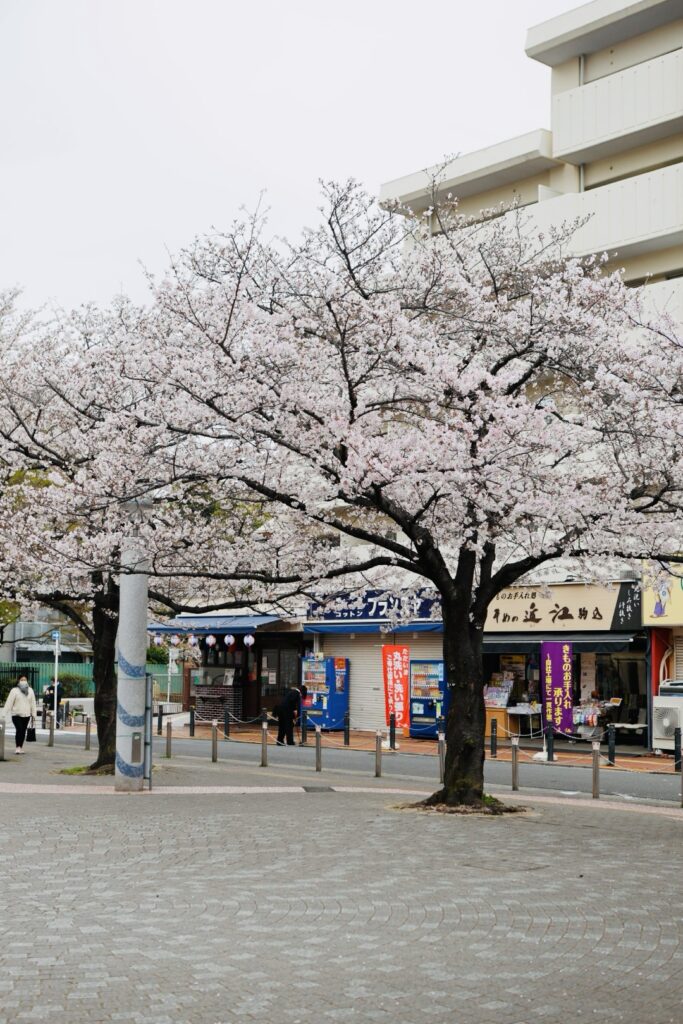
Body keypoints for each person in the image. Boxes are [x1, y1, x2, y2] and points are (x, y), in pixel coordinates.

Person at [4, 675, 38, 755]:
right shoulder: (14, 690)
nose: (23, 681)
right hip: (16, 714)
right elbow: (9, 702)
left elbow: (33, 703)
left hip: (26, 715)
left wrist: (34, 714)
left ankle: (20, 747)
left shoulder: (30, 690)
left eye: (25, 679)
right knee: (19, 730)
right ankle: (17, 747)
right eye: (22, 679)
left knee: (23, 731)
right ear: (19, 680)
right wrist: (4, 713)